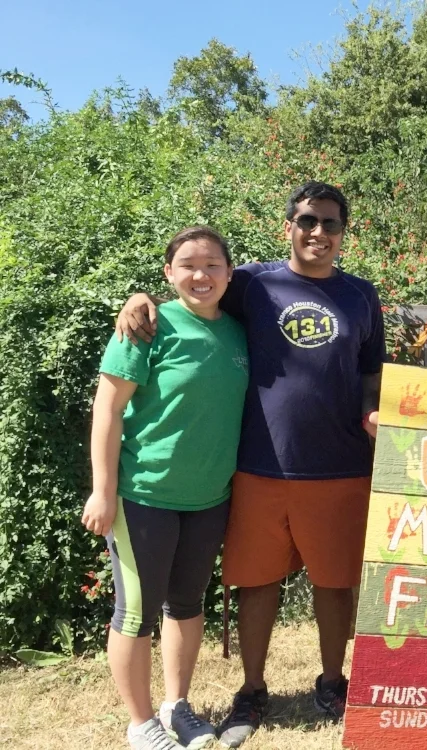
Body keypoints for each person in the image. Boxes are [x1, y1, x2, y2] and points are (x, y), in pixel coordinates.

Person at [115, 182, 385, 747]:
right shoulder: (254, 283)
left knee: (335, 585)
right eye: (308, 220)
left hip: (340, 468)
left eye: (331, 224)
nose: (319, 232)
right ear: (288, 225)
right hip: (258, 467)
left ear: (344, 232)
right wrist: (139, 300)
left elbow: (370, 378)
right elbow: (195, 292)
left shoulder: (363, 296)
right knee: (256, 583)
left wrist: (374, 412)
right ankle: (252, 689)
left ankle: (333, 681)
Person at [83, 227, 249, 750]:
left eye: (213, 265)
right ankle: (140, 724)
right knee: (135, 610)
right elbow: (107, 409)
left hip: (209, 499)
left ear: (229, 271)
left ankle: (176, 707)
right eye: (188, 264)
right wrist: (102, 491)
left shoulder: (239, 331)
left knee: (187, 604)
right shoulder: (147, 326)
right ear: (168, 273)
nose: (201, 275)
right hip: (144, 496)